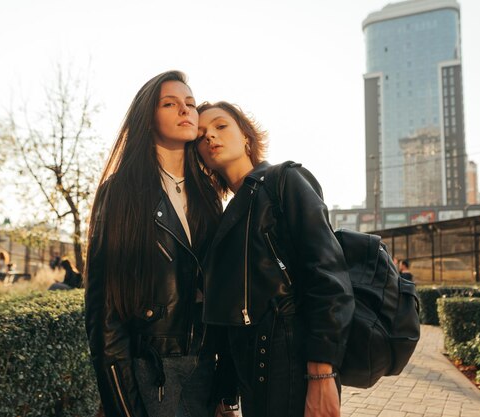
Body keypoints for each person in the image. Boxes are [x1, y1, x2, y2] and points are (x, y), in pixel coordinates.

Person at [195, 101, 355, 417]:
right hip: (253, 372)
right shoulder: (225, 215)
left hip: (291, 362)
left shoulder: (284, 180)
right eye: (200, 135)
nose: (210, 136)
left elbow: (327, 275)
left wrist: (322, 374)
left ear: (247, 138)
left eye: (220, 126)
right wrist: (226, 394)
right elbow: (231, 313)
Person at [85, 71, 223, 417]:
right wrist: (123, 405)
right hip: (152, 372)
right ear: (147, 118)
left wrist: (227, 391)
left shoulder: (208, 195)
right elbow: (104, 311)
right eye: (170, 103)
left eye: (190, 103)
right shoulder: (121, 193)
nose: (186, 110)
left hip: (206, 370)